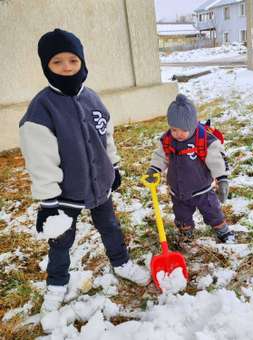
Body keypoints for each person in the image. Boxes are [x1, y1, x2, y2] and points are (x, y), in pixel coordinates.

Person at [19, 28, 150, 314]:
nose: (66, 67)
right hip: (65, 194)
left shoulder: (93, 99)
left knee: (111, 226)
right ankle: (56, 283)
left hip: (99, 185)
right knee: (61, 240)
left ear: (81, 62)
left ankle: (121, 262)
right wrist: (49, 201)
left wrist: (113, 167)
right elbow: (41, 160)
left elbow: (106, 136)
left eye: (72, 60)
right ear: (46, 66)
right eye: (57, 62)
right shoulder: (41, 110)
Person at [145, 94, 235, 243]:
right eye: (174, 129)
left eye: (183, 130)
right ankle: (186, 234)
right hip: (178, 191)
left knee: (213, 212)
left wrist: (222, 179)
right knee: (182, 217)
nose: (178, 134)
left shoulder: (204, 140)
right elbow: (160, 156)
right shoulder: (168, 139)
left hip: (202, 190)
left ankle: (222, 230)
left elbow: (216, 160)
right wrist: (154, 169)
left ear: (192, 125)